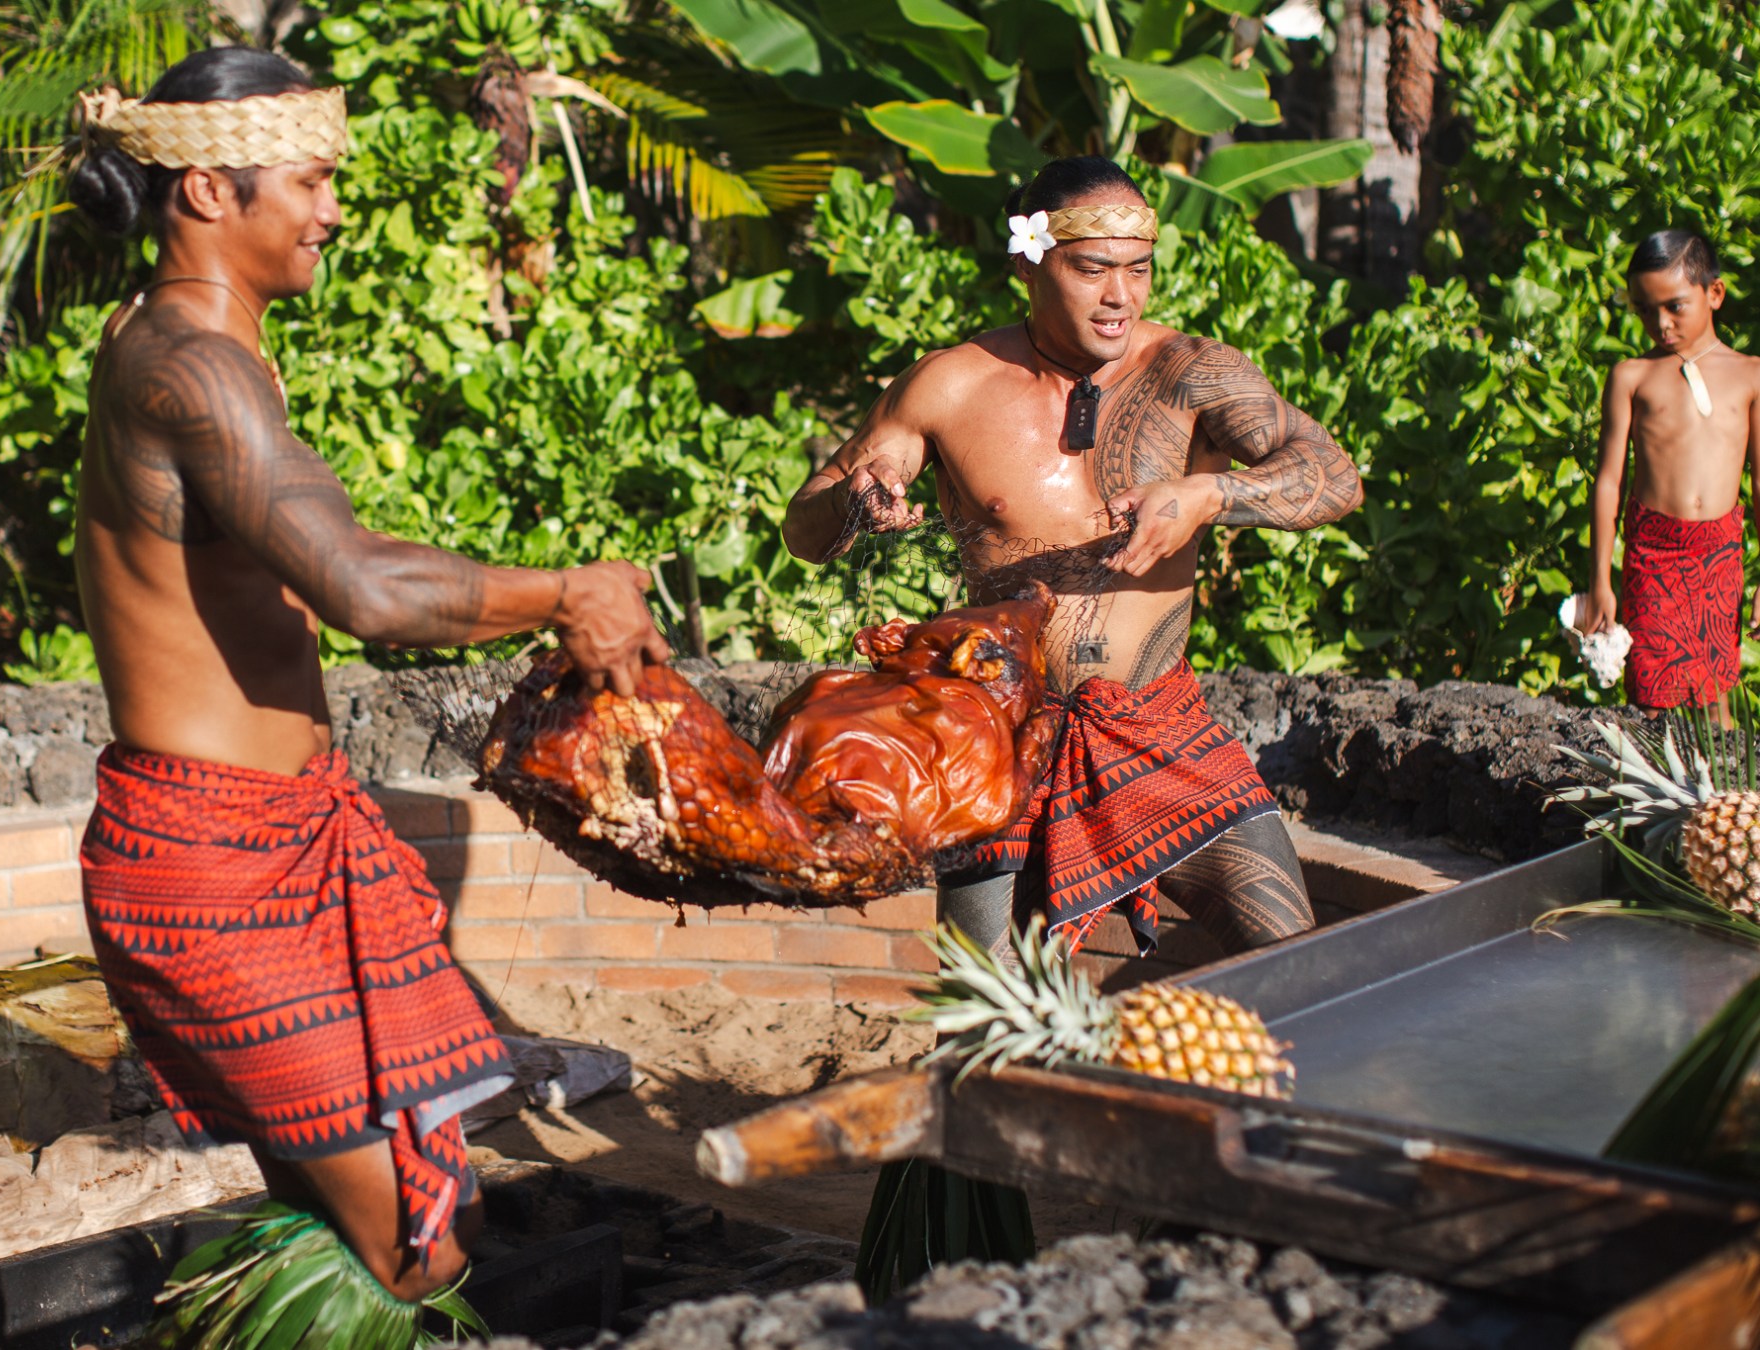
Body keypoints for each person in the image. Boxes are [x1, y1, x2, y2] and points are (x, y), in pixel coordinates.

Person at [68, 46, 668, 1334]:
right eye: (310, 180)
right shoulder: (191, 367)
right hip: (216, 868)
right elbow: (363, 591)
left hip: (277, 835)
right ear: (208, 192)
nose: (332, 210)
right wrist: (567, 592)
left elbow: (322, 557)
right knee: (417, 1246)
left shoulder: (200, 347)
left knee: (393, 1207)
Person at [783, 156, 1363, 966]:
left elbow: (1334, 476)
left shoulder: (1192, 373)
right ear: (1030, 264)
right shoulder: (948, 386)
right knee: (987, 1012)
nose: (1120, 295)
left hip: (1159, 724)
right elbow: (804, 528)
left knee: (1298, 965)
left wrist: (1208, 494)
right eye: (1092, 270)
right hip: (1004, 740)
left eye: (1138, 269)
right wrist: (856, 497)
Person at [1575, 229, 1760, 717]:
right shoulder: (1631, 376)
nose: (1660, 323)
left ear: (1714, 293)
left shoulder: (1751, 375)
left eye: (1675, 307)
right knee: (1650, 698)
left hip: (1718, 556)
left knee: (1715, 699)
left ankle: (1719, 772)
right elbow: (1609, 482)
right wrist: (1600, 580)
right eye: (1644, 310)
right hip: (1654, 555)